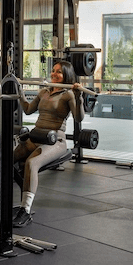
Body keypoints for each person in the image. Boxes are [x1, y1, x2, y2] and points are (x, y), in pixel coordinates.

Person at [13, 60, 85, 227]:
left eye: (59, 72)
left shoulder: (68, 94)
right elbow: (28, 109)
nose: (54, 74)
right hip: (36, 136)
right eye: (53, 70)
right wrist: (19, 91)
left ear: (66, 74)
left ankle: (25, 210)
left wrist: (79, 97)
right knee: (5, 159)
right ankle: (15, 196)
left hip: (55, 141)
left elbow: (78, 118)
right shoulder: (44, 92)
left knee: (31, 163)